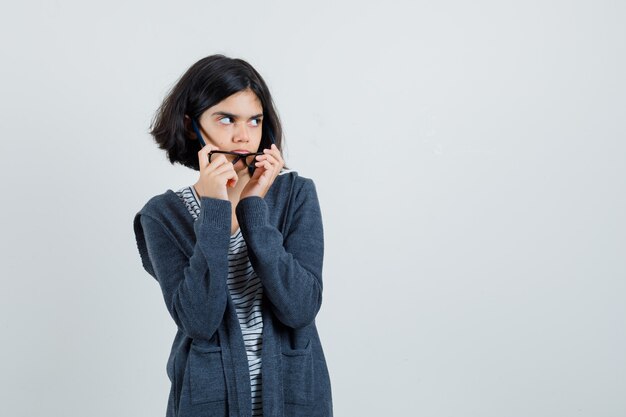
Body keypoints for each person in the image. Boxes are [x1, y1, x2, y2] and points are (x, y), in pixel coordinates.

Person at [132, 54, 333, 417]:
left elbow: (300, 308)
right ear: (192, 125)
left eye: (254, 121)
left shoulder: (297, 194)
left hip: (294, 399)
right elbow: (199, 320)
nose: (243, 136)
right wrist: (215, 209)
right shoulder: (161, 216)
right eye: (227, 119)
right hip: (209, 403)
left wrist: (254, 206)